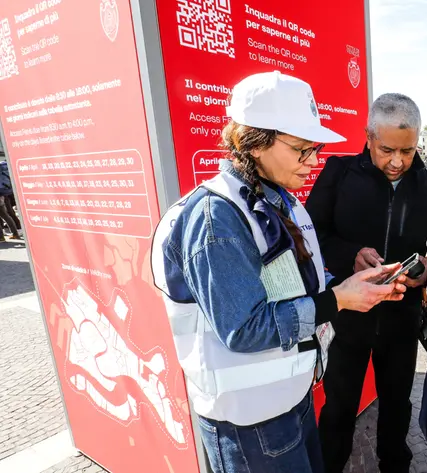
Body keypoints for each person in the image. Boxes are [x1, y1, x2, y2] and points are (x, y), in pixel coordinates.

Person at [151, 72, 407, 473]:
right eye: (301, 150)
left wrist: (350, 287)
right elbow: (244, 329)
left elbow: (293, 288)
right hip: (247, 422)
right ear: (254, 143)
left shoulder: (281, 201)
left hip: (291, 399)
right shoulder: (216, 219)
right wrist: (338, 300)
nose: (313, 162)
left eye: (314, 149)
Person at [307, 93, 427, 473]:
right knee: (339, 406)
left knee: (397, 403)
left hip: (402, 318)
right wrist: (349, 256)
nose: (397, 161)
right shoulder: (339, 173)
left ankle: (395, 465)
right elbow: (311, 235)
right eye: (387, 150)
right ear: (369, 137)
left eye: (407, 151)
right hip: (348, 314)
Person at [0, 161, 22, 242]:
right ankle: (15, 234)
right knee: (6, 215)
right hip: (2, 194)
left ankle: (1, 237)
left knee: (6, 215)